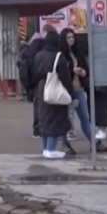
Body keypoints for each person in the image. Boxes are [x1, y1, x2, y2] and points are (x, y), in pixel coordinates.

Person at [59, 28, 107, 154]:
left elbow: (85, 69)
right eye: (68, 38)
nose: (71, 40)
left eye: (72, 37)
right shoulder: (60, 54)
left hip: (78, 88)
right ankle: (65, 144)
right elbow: (60, 72)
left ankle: (94, 143)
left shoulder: (77, 52)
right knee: (65, 119)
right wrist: (71, 71)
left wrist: (83, 72)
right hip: (65, 90)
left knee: (85, 118)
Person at [30, 30, 74, 159]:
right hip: (54, 87)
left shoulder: (39, 55)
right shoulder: (58, 56)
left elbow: (33, 72)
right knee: (55, 118)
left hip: (41, 88)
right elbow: (65, 77)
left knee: (44, 118)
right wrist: (71, 93)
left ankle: (45, 148)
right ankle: (51, 148)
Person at [25, 25, 55, 137]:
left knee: (39, 104)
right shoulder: (40, 44)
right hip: (42, 79)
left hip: (37, 79)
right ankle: (39, 129)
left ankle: (38, 129)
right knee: (41, 104)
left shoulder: (34, 43)